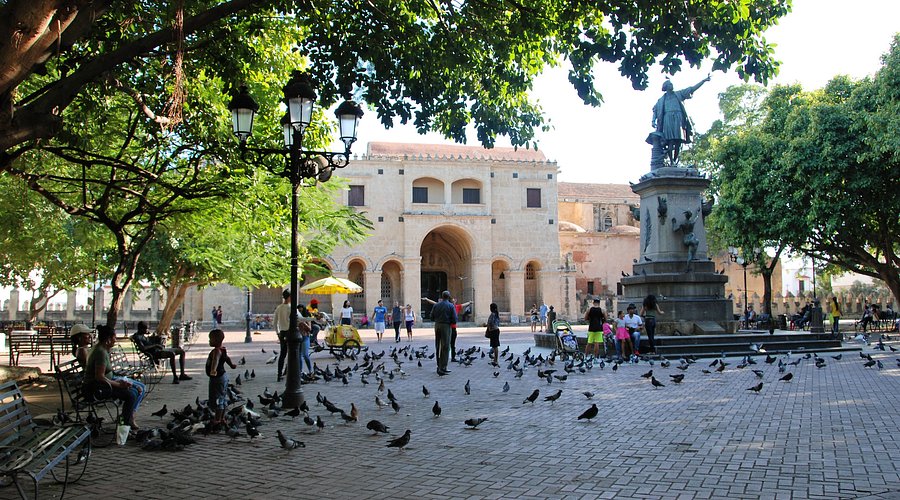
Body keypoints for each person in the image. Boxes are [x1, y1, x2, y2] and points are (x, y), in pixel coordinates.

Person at [84, 325, 140, 430]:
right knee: (131, 395)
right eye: (114, 338)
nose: (115, 340)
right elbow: (99, 377)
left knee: (134, 390)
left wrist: (119, 382)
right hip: (96, 390)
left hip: (100, 385)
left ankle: (125, 421)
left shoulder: (101, 349)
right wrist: (119, 385)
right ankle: (124, 425)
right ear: (108, 339)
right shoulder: (100, 352)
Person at [650, 75, 711, 165]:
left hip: (678, 118)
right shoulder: (661, 100)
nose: (672, 85)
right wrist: (653, 120)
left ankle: (674, 161)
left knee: (678, 142)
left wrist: (703, 80)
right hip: (668, 119)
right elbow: (655, 110)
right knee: (670, 141)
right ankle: (671, 161)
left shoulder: (678, 94)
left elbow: (691, 89)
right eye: (670, 84)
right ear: (666, 87)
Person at [205, 328, 236, 427]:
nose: (209, 341)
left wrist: (213, 370)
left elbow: (216, 361)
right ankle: (222, 418)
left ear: (217, 340)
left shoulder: (216, 351)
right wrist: (231, 365)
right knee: (222, 398)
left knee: (218, 399)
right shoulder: (223, 349)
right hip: (223, 376)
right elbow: (227, 358)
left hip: (217, 378)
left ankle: (217, 419)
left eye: (211, 339)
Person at [431, 291, 457, 375]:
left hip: (437, 325)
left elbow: (431, 316)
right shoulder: (450, 306)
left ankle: (438, 364)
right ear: (449, 297)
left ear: (442, 296)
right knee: (445, 346)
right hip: (446, 326)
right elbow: (454, 319)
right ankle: (443, 366)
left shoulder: (436, 305)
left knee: (437, 345)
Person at [273, 289, 295, 382]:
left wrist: (277, 332)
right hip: (290, 332)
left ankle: (279, 374)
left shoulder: (279, 307)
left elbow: (275, 322)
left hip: (282, 333)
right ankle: (291, 373)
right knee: (292, 353)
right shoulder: (291, 307)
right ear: (289, 297)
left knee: (282, 354)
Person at [297, 305, 314, 375]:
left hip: (305, 337)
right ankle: (300, 371)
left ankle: (310, 370)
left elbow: (310, 329)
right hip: (298, 337)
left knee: (305, 355)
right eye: (299, 311)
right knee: (299, 355)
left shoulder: (307, 318)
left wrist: (303, 323)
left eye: (301, 311)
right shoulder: (296, 318)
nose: (300, 313)